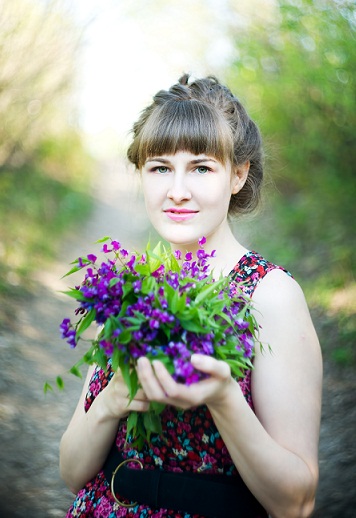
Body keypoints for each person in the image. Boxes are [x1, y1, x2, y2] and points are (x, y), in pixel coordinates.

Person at [60, 74, 322, 518]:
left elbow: (295, 504)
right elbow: (71, 471)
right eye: (160, 167)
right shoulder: (130, 290)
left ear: (238, 175)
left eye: (201, 167)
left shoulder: (270, 295)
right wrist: (111, 401)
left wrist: (223, 399)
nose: (176, 190)